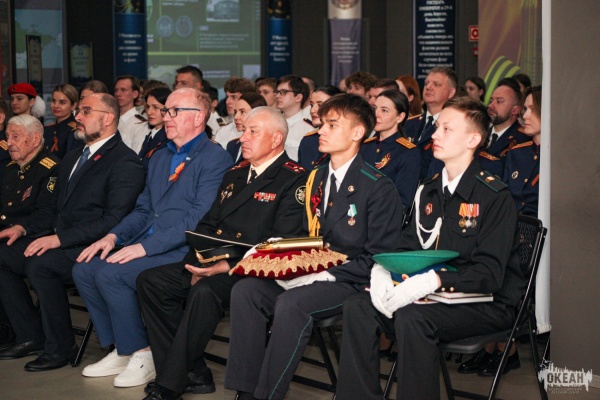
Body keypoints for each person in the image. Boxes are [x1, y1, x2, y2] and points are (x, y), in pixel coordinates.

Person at [335, 96, 524, 400]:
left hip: (486, 302)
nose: (435, 134)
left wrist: (435, 280)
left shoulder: (493, 196)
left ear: (472, 140)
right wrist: (382, 271)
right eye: (437, 127)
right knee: (358, 306)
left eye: (447, 129)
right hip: (431, 296)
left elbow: (489, 274)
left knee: (413, 318)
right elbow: (407, 245)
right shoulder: (429, 189)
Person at [224, 93, 404, 400]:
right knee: (247, 291)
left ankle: (267, 395)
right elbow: (305, 235)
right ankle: (246, 390)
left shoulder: (377, 187)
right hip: (312, 270)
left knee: (291, 304)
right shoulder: (315, 177)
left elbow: (378, 257)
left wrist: (324, 274)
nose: (321, 130)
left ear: (357, 133)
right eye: (322, 124)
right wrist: (276, 253)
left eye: (332, 125)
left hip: (351, 279)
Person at [137, 106, 308, 400]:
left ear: (277, 138)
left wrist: (227, 266)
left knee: (205, 292)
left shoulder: (295, 179)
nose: (243, 138)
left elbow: (282, 242)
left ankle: (170, 382)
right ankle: (191, 371)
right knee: (151, 281)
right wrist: (198, 264)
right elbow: (207, 225)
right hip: (213, 262)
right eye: (244, 131)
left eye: (253, 132)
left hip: (253, 271)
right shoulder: (235, 174)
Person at [71, 88, 231, 388]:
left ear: (199, 117)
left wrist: (144, 248)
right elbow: (144, 209)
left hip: (181, 248)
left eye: (174, 111)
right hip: (148, 241)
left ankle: (145, 353)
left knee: (111, 274)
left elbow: (196, 220)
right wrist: (114, 236)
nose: (166, 117)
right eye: (166, 110)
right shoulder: (160, 156)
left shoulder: (215, 158)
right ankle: (123, 347)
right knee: (85, 269)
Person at [0, 93, 144, 371]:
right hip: (62, 238)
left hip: (92, 245)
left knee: (40, 265)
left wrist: (59, 239)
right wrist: (24, 227)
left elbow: (114, 219)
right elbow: (53, 207)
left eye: (86, 111)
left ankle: (61, 347)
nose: (78, 116)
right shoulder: (75, 155)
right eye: (79, 111)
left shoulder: (124, 160)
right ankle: (29, 334)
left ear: (108, 118)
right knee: (4, 254)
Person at [0, 115, 61, 352]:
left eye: (16, 137)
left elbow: (49, 213)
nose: (9, 143)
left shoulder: (51, 168)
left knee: (2, 258)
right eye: (7, 137)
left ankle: (29, 335)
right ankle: (7, 331)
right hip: (10, 233)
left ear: (35, 139)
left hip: (35, 236)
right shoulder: (10, 168)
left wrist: (21, 228)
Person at [360, 89, 421, 210]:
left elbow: (403, 201)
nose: (376, 114)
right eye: (375, 108)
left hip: (383, 215)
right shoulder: (365, 146)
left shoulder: (408, 152)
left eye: (384, 110)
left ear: (400, 117)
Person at [405, 67, 457, 179]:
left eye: (436, 84)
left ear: (451, 92)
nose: (428, 87)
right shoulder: (409, 124)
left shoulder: (454, 128)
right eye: (426, 83)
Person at [504, 86, 542, 217]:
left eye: (533, 109)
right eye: (525, 109)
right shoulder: (516, 153)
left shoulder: (558, 157)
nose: (525, 116)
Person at [298, 85, 342, 170]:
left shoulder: (346, 140)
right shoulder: (308, 141)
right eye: (311, 105)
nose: (312, 110)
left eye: (320, 105)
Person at [275, 75, 313, 161]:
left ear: (298, 97)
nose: (277, 96)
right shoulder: (271, 122)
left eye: (284, 92)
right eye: (277, 92)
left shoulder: (308, 129)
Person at [213, 78, 256, 148]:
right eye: (227, 97)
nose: (227, 102)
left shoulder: (258, 132)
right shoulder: (223, 131)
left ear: (247, 99)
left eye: (234, 97)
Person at [225, 92, 267, 164]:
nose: (236, 117)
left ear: (258, 114)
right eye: (235, 112)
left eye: (242, 112)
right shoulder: (232, 145)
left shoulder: (265, 147)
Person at [44, 84, 83, 159]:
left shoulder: (76, 131)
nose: (56, 106)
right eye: (53, 101)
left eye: (62, 102)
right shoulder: (47, 129)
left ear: (73, 106)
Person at [139, 87, 172, 172]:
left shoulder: (169, 139)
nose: (149, 112)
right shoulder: (151, 135)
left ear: (167, 109)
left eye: (155, 107)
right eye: (148, 107)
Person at [115, 75, 148, 154]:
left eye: (123, 90)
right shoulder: (111, 119)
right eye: (116, 90)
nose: (118, 94)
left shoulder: (140, 123)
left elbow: (137, 154)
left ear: (135, 94)